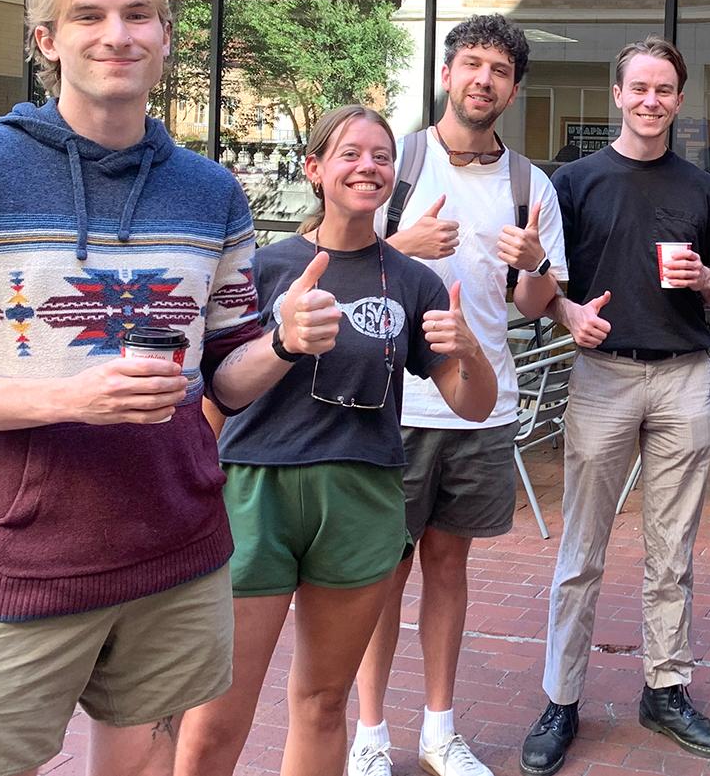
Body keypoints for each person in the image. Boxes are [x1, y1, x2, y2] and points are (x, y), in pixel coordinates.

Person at [0, 0, 345, 776]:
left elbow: (224, 378)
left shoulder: (211, 191)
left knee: (147, 760)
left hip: (179, 548)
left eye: (137, 15)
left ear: (165, 38)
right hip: (19, 565)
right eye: (87, 15)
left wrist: (280, 341)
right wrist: (64, 398)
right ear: (46, 40)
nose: (115, 34)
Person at [175, 105, 496, 776]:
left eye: (381, 156)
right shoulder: (263, 270)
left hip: (360, 496)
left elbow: (472, 402)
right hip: (255, 494)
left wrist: (472, 351)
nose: (368, 167)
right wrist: (199, 498)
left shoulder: (413, 281)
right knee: (215, 713)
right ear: (315, 168)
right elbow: (215, 397)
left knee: (323, 703)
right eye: (350, 154)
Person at [348, 14, 568, 776]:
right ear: (446, 74)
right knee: (382, 570)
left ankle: (439, 731)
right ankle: (370, 733)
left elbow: (536, 304)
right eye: (471, 63)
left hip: (485, 404)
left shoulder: (529, 185)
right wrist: (398, 249)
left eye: (499, 70)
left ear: (512, 88)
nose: (483, 79)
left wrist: (536, 261)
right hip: (393, 406)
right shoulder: (394, 163)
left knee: (449, 566)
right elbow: (335, 262)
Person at [519, 35, 710, 776]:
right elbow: (540, 287)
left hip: (683, 374)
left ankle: (666, 687)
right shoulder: (574, 182)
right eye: (638, 88)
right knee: (581, 547)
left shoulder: (704, 187)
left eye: (665, 90)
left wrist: (707, 276)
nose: (651, 101)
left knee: (671, 547)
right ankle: (561, 697)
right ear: (617, 94)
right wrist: (567, 314)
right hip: (603, 375)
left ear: (680, 100)